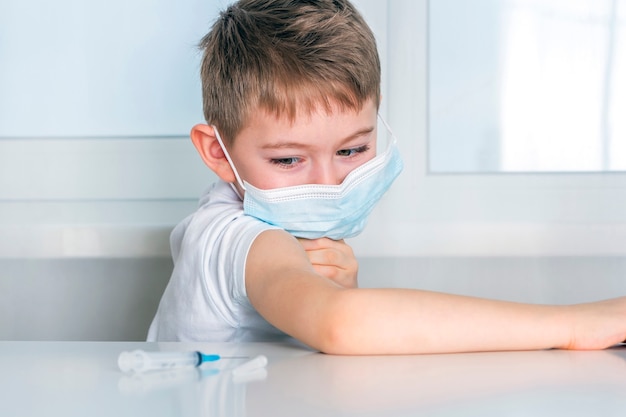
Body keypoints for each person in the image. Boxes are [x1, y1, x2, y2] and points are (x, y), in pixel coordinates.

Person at [148, 0, 626, 354]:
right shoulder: (235, 238)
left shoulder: (279, 237)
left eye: (352, 149)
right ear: (218, 152)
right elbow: (341, 327)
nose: (331, 182)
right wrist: (574, 324)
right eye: (289, 160)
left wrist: (337, 293)